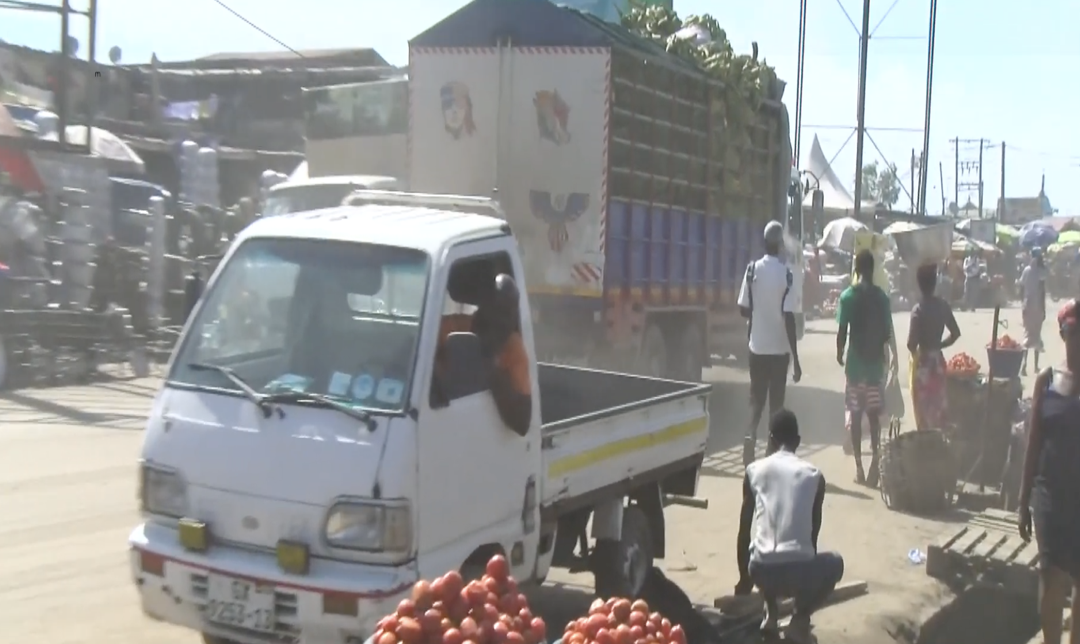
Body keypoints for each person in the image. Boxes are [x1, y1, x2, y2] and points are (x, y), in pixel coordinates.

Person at [735, 409, 844, 644]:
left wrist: (745, 579)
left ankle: (771, 614)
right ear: (798, 442)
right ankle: (799, 619)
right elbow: (812, 538)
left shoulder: (753, 471)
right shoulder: (815, 476)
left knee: (761, 546)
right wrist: (803, 588)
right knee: (835, 562)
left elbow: (743, 532)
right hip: (799, 574)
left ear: (770, 439)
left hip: (761, 571)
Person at [1017, 299, 1080, 644]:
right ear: (1062, 333)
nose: (1077, 338)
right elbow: (1033, 443)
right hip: (1050, 496)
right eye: (1072, 331)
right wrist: (1023, 499)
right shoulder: (1047, 381)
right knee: (1050, 575)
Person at [737, 220, 802, 467]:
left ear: (765, 243)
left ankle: (748, 437)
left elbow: (743, 308)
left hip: (757, 347)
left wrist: (758, 313)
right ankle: (769, 453)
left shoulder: (752, 270)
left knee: (756, 399)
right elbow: (789, 318)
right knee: (776, 403)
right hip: (779, 350)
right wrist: (796, 358)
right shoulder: (787, 274)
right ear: (780, 245)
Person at [836, 250, 897, 486]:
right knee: (873, 418)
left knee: (856, 413)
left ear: (856, 269)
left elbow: (842, 332)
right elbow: (886, 332)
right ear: (872, 270)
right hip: (874, 369)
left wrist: (840, 353)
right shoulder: (882, 298)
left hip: (854, 367)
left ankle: (860, 468)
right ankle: (875, 468)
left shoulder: (847, 297)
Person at [907, 263, 961, 431]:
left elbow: (911, 344)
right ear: (935, 283)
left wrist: (917, 351)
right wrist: (940, 345)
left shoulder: (918, 310)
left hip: (923, 364)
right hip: (937, 363)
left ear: (919, 285)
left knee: (923, 410)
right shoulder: (943, 305)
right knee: (939, 408)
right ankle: (940, 446)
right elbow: (955, 333)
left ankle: (926, 446)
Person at [1020, 249, 1048, 376]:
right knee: (1035, 335)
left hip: (1029, 305)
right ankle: (1032, 366)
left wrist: (1023, 304)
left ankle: (1026, 366)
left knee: (1029, 335)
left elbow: (1022, 287)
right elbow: (1042, 292)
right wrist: (1043, 308)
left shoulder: (1027, 270)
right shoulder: (1040, 272)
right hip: (1035, 307)